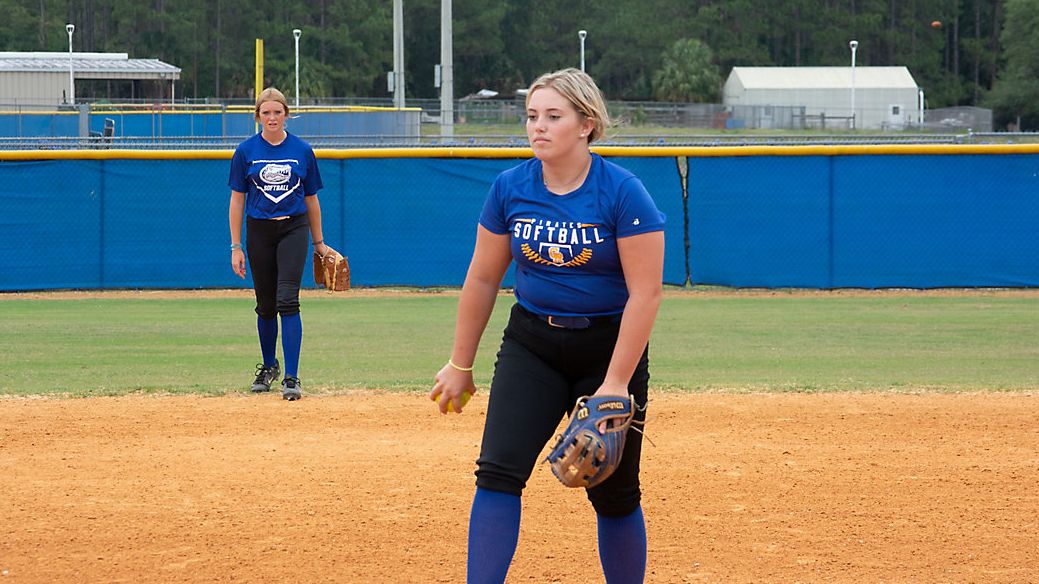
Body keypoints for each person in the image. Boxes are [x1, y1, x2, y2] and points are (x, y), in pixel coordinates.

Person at [429, 68, 666, 583]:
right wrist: (460, 363)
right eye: (532, 115)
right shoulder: (510, 188)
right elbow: (484, 277)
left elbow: (645, 294)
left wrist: (616, 385)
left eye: (553, 116)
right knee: (497, 472)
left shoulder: (623, 192)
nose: (538, 126)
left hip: (608, 351)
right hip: (532, 344)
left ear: (586, 124)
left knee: (614, 491)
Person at [228, 87, 329, 401]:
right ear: (257, 116)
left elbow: (311, 200)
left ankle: (292, 377)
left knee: (288, 300)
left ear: (286, 115)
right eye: (266, 112)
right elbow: (236, 201)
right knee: (266, 304)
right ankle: (269, 366)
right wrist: (236, 246)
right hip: (258, 231)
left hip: (293, 228)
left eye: (277, 112)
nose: (272, 118)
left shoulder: (301, 150)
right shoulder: (245, 151)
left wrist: (319, 243)